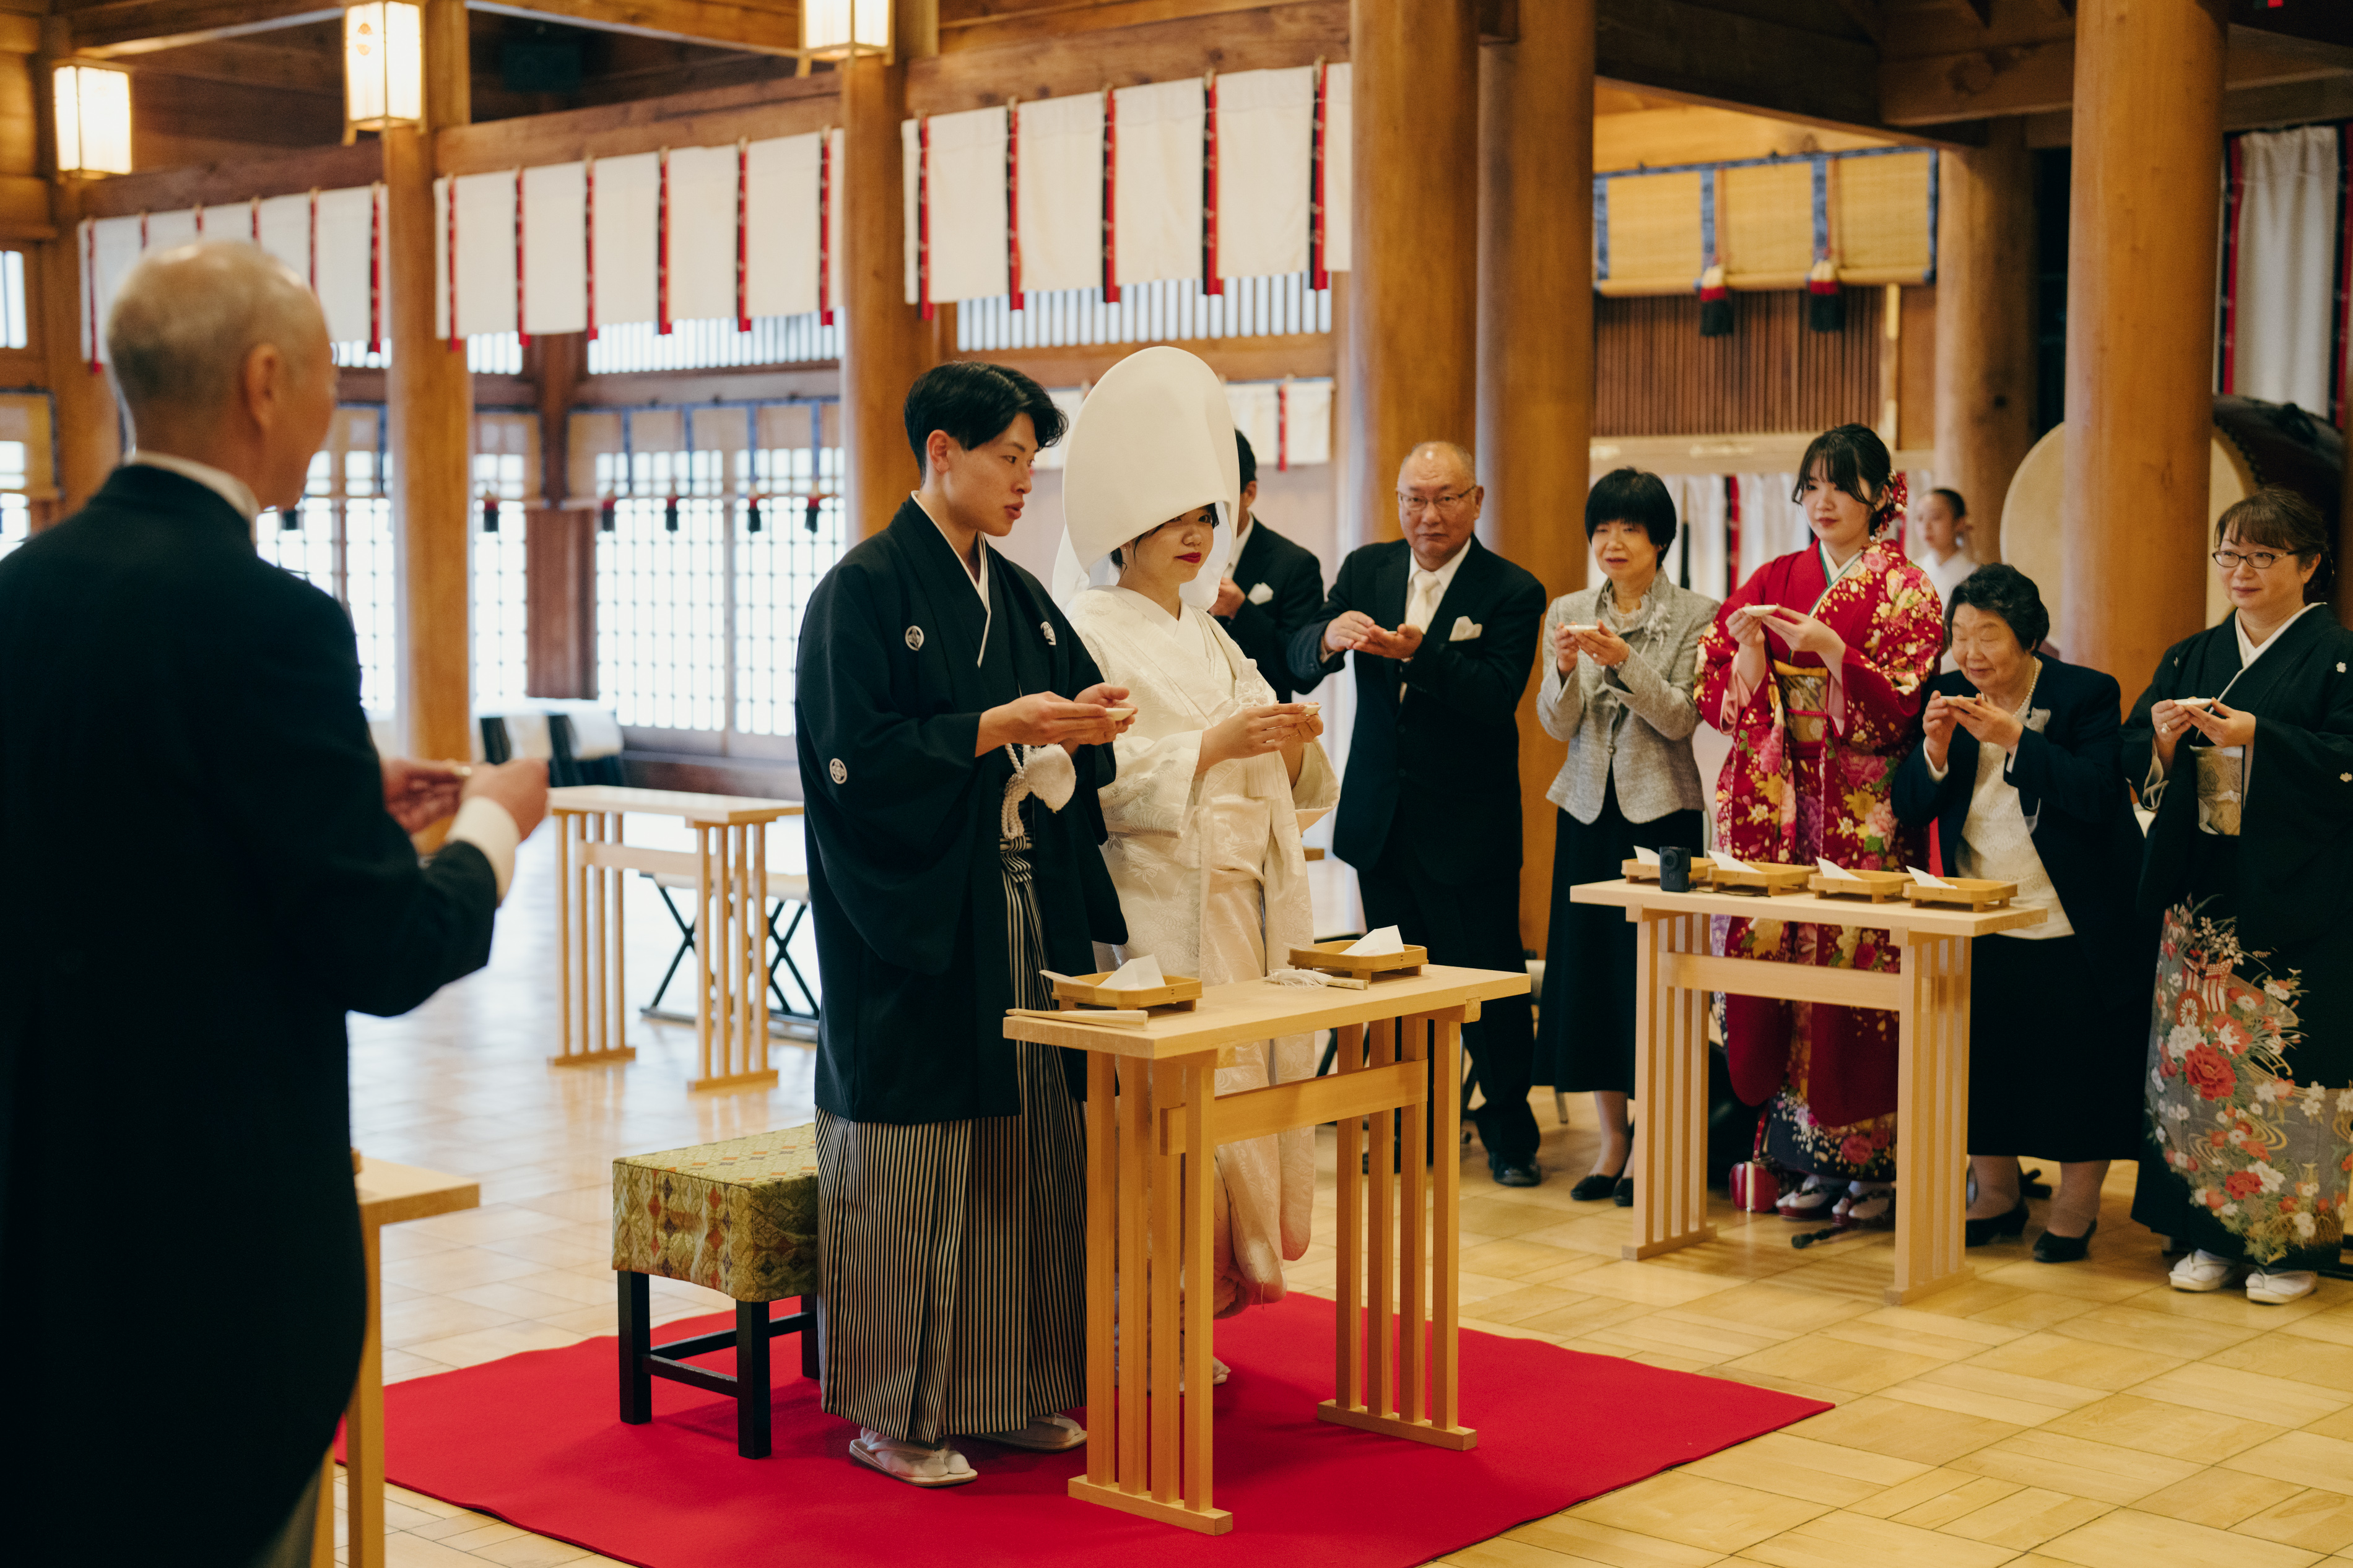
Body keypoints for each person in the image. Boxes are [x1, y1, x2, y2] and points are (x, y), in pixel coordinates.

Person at [0, 241, 547, 1567]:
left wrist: (335, 788)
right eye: (325, 379)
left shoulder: (22, 595)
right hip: (207, 1262)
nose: (332, 411)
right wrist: (491, 823)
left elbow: (110, 809)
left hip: (36, 1231)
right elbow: (384, 948)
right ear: (260, 382)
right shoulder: (270, 620)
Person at [794, 360, 1134, 1488]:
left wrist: (1087, 725)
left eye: (1034, 459)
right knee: (920, 1158)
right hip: (918, 923)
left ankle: (1020, 1385)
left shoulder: (1023, 595)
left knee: (1034, 1137)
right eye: (1008, 457)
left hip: (1023, 909)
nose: (1025, 479)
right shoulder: (863, 589)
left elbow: (1080, 711)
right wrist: (992, 727)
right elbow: (857, 764)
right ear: (941, 452)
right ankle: (895, 1411)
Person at [1056, 347, 1336, 1332]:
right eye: (1176, 520)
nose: (1197, 536)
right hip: (1152, 908)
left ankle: (1206, 1300)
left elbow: (1272, 750)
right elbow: (1085, 773)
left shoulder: (1209, 632)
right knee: (1169, 1119)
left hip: (1240, 907)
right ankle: (1145, 1310)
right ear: (1126, 532)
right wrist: (1212, 747)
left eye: (1206, 519)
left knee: (1240, 1106)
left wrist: (1291, 750)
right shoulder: (1086, 626)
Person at [1697, 423, 1944, 1228]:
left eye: (1841, 484)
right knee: (1782, 973)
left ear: (1883, 495)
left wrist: (1838, 652)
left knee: (1856, 975)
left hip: (1864, 810)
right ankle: (1800, 1157)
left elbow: (1907, 702)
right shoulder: (1775, 575)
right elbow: (1715, 684)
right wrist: (1747, 662)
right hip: (1780, 801)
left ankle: (1872, 1167)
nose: (1824, 500)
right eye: (1812, 485)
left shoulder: (1908, 588)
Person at [1289, 440, 1547, 1186]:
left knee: (1486, 985)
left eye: (1442, 498)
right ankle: (1409, 1124)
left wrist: (1419, 653)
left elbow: (1494, 695)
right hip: (1383, 819)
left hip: (1469, 826)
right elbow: (1305, 646)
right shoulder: (1368, 569)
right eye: (1412, 499)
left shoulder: (1511, 589)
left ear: (1476, 500)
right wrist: (1325, 639)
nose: (1426, 515)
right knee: (1396, 988)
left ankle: (1507, 1134)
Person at [2126, 487, 2353, 1306]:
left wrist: (2261, 736)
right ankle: (2206, 1234)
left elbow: (2348, 760)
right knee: (2196, 1072)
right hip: (2203, 898)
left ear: (2308, 564)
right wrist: (2158, 735)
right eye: (2230, 554)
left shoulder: (2338, 656)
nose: (2242, 571)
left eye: (2262, 555)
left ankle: (2290, 1247)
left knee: (2287, 1076)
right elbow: (2136, 758)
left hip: (2302, 901)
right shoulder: (2193, 654)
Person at [1892, 565, 2150, 1262]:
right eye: (1959, 635)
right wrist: (1935, 751)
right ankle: (1996, 1193)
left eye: (1987, 635)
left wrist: (2015, 738)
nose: (1969, 652)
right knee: (1983, 1058)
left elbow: (2098, 792)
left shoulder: (2083, 694)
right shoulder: (1944, 692)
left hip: (2072, 913)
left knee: (2077, 1068)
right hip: (1979, 909)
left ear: (2027, 637)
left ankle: (2074, 1205)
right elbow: (1910, 802)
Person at [1533, 468, 1717, 1206]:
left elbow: (1680, 718)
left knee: (1653, 983)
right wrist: (1568, 668)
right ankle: (1610, 1142)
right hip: (1584, 812)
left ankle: (1654, 1142)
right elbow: (1553, 722)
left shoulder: (1697, 613)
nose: (1612, 542)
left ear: (1659, 540)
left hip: (1660, 816)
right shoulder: (1568, 607)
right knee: (1590, 984)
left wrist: (1623, 660)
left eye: (1629, 530)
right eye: (1602, 529)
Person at [1209, 430, 1328, 703]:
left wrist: (1241, 611)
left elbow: (1300, 674)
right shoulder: (1173, 556)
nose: (1206, 513)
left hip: (1264, 725)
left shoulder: (1295, 565)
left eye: (1217, 500)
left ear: (1249, 493)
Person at [1916, 486, 1977, 607]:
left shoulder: (1974, 575)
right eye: (1920, 518)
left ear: (1959, 523)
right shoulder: (1912, 571)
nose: (1926, 526)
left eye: (1935, 517)